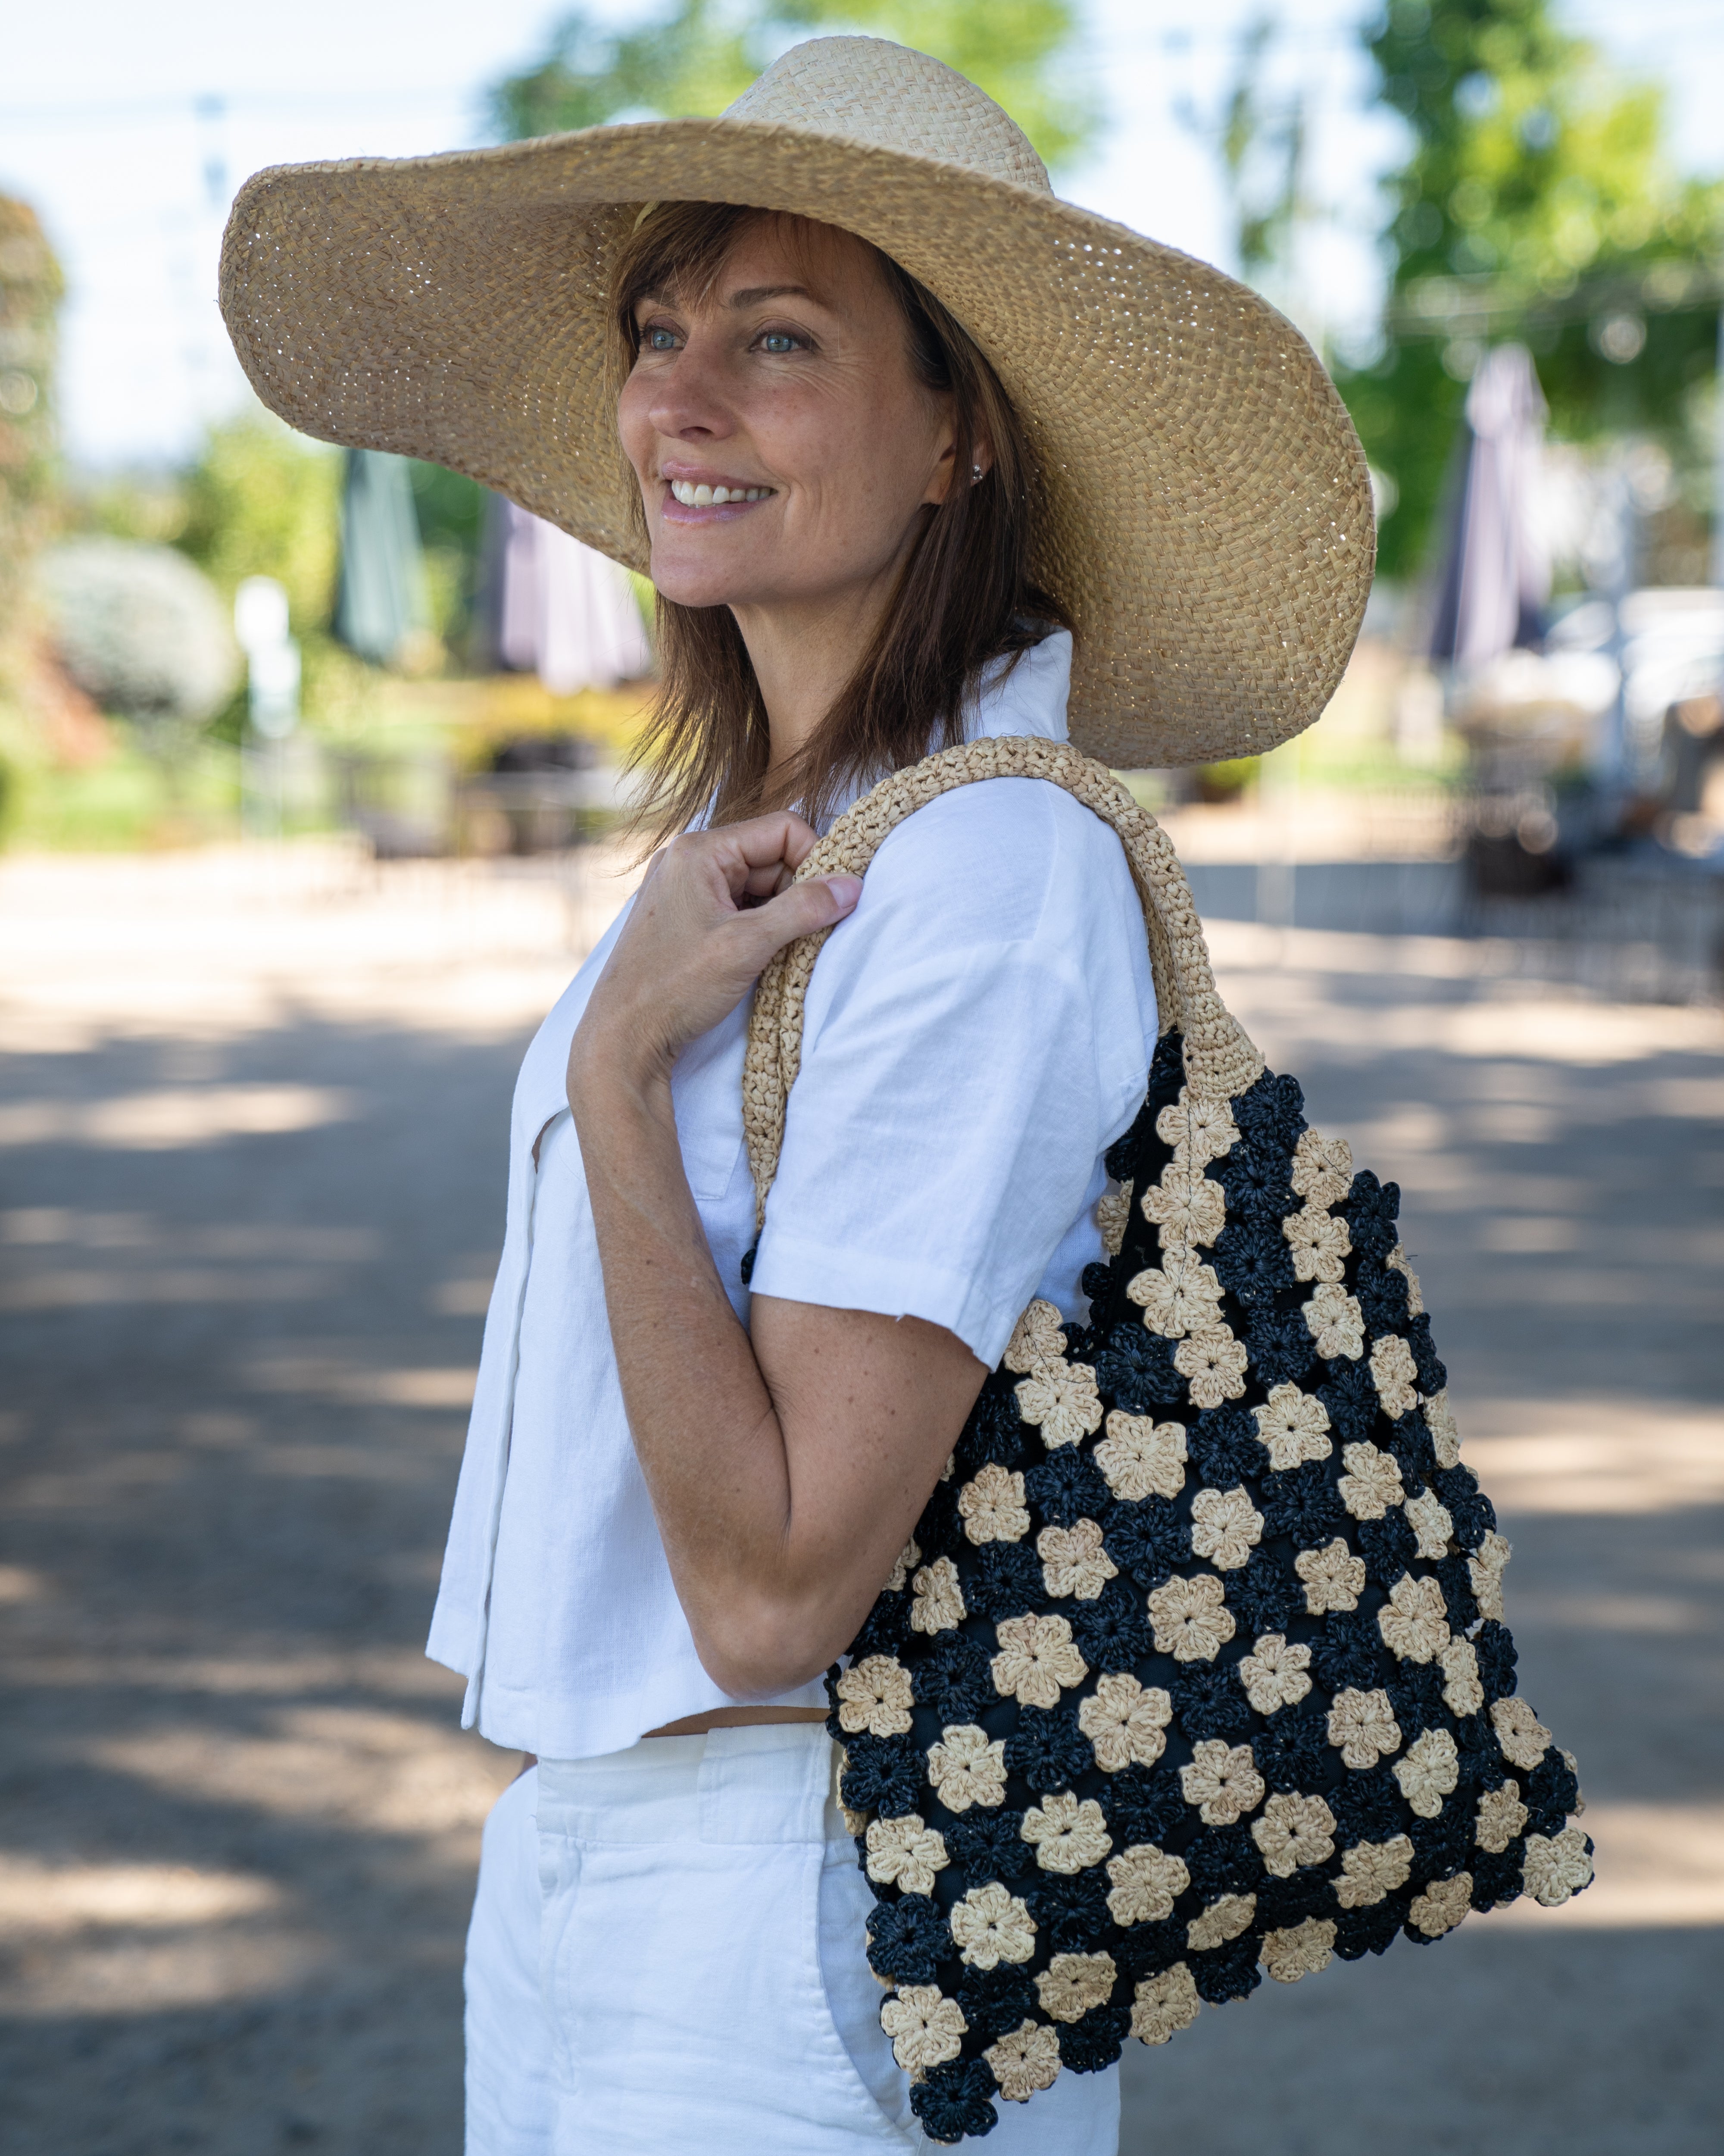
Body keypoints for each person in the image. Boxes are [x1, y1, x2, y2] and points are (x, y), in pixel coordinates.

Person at [219, 36, 1371, 2153]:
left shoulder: (986, 879)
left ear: (956, 439)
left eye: (778, 338)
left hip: (818, 1890)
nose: (678, 396)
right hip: (611, 1860)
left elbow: (768, 1593)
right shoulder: (797, 844)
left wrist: (610, 1075)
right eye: (662, 333)